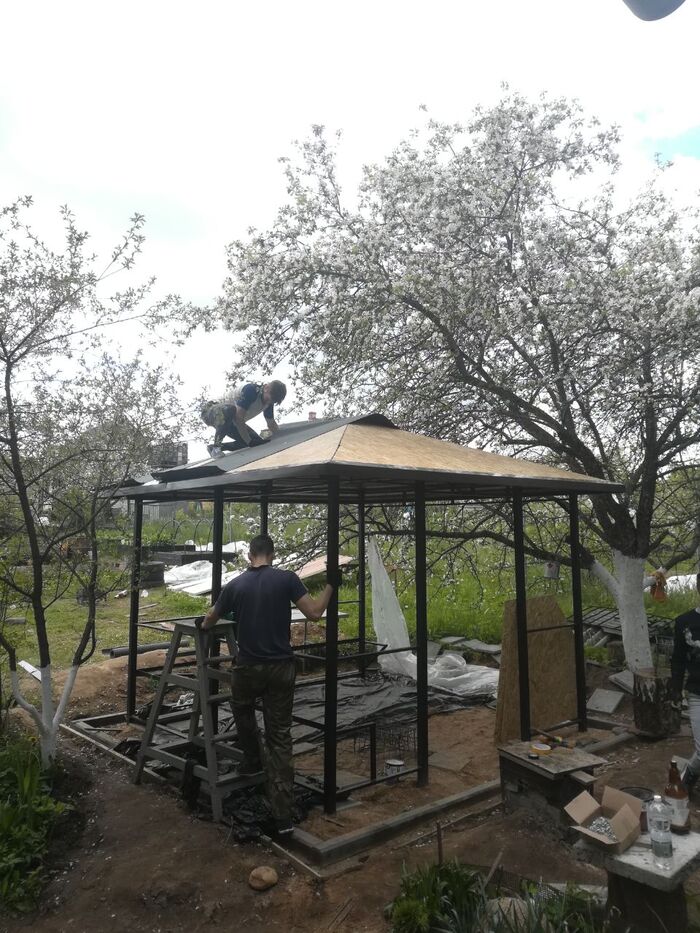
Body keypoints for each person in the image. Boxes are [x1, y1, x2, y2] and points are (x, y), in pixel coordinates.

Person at [199, 534, 336, 835]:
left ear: (250, 555)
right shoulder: (287, 580)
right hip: (281, 669)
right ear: (273, 554)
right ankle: (283, 816)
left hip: (247, 668)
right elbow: (314, 613)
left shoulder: (235, 585)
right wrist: (330, 585)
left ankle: (252, 758)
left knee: (241, 708)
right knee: (280, 738)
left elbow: (209, 619)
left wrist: (204, 625)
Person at [670, 573, 700, 793]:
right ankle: (688, 776)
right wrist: (676, 690)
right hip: (697, 693)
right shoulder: (685, 622)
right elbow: (678, 659)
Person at [201, 380, 287, 455]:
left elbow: (271, 424)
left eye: (273, 401)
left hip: (232, 421)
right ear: (266, 388)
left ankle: (214, 448)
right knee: (230, 410)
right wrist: (249, 441)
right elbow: (239, 418)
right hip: (210, 410)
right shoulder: (251, 390)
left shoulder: (269, 403)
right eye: (269, 399)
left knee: (256, 441)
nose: (269, 402)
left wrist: (282, 436)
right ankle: (216, 447)